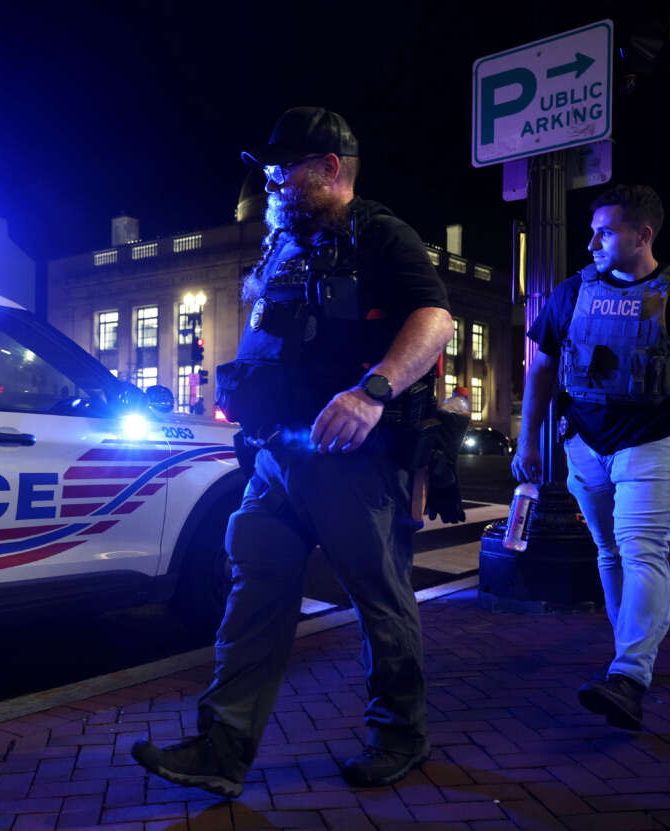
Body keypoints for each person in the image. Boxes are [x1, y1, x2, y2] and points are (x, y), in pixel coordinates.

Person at [131, 107, 453, 797]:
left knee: (380, 600)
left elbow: (436, 319)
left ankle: (401, 733)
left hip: (353, 461)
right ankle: (223, 747)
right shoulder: (285, 241)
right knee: (254, 594)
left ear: (330, 168)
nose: (273, 178)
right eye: (271, 168)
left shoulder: (379, 233)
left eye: (286, 166)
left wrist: (372, 391)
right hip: (277, 458)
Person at [512, 184, 670, 731]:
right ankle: (627, 659)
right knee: (609, 551)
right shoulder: (572, 292)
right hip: (585, 443)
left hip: (653, 439)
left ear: (642, 235)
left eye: (606, 231)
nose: (592, 240)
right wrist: (529, 441)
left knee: (643, 550)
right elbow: (542, 368)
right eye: (592, 229)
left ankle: (629, 673)